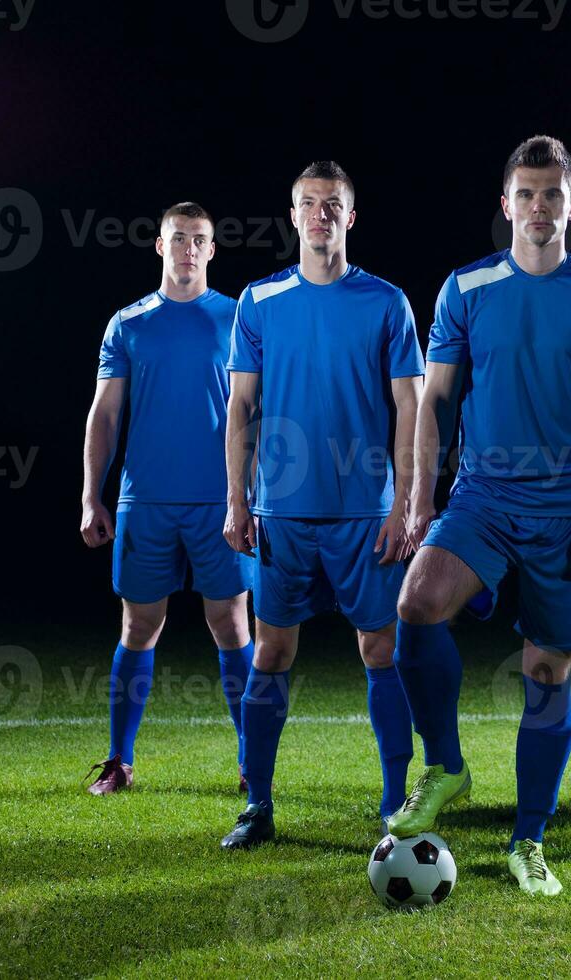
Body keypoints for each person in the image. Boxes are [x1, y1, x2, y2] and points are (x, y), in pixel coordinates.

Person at [386, 135, 571, 896]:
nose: (537, 207)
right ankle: (445, 765)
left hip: (569, 506)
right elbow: (434, 398)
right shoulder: (465, 287)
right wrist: (418, 497)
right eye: (524, 194)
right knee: (417, 603)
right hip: (484, 496)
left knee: (544, 673)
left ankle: (527, 841)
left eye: (550, 193)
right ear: (505, 205)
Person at [219, 162, 425, 848]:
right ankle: (258, 806)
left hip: (366, 513)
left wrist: (405, 504)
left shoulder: (386, 302)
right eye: (308, 203)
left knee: (380, 649)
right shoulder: (258, 300)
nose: (319, 214)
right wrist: (236, 500)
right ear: (292, 213)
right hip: (279, 511)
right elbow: (241, 405)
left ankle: (396, 801)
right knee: (271, 653)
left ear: (350, 216)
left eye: (332, 204)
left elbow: (409, 406)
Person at [80, 202, 253, 795]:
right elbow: (104, 413)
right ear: (159, 245)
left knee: (231, 622)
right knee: (139, 624)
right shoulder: (128, 324)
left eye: (198, 240)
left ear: (211, 249)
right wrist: (90, 496)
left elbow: (253, 413)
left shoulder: (236, 318)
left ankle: (251, 760)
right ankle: (119, 760)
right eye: (177, 238)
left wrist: (249, 495)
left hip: (219, 502)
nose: (187, 249)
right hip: (144, 499)